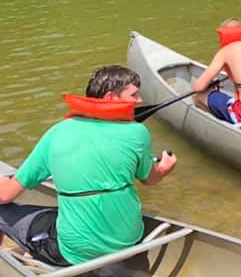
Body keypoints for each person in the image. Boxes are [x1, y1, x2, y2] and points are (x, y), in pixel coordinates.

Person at [0, 66, 177, 268]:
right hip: (129, 240)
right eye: (134, 95)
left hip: (74, 253)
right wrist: (164, 168)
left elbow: (5, 196)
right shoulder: (138, 132)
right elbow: (150, 178)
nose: (140, 101)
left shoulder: (58, 132)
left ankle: (12, 262)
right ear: (111, 97)